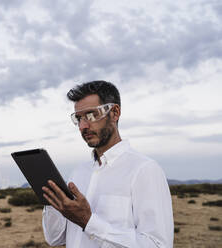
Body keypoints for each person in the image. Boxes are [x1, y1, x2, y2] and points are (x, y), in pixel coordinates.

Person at [42, 80, 174, 247]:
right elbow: (55, 239)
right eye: (78, 118)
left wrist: (88, 222)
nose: (83, 126)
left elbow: (158, 245)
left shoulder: (144, 170)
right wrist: (51, 201)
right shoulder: (78, 173)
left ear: (115, 112)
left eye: (91, 115)